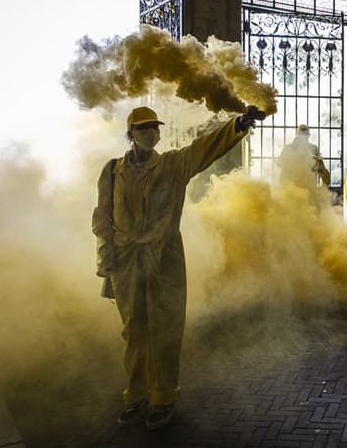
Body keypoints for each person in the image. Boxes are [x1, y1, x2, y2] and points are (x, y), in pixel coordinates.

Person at [92, 105, 265, 430]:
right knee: (134, 332)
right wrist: (106, 258)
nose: (151, 133)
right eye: (143, 129)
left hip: (164, 259)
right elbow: (103, 216)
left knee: (165, 331)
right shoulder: (112, 170)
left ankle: (164, 398)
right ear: (131, 135)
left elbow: (205, 149)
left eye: (154, 128)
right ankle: (136, 397)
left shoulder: (172, 165)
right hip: (127, 262)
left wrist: (238, 124)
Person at [277, 124, 331, 188]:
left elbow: (279, 163)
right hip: (295, 188)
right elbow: (325, 177)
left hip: (299, 188)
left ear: (297, 134)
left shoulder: (313, 149)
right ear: (309, 135)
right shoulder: (289, 148)